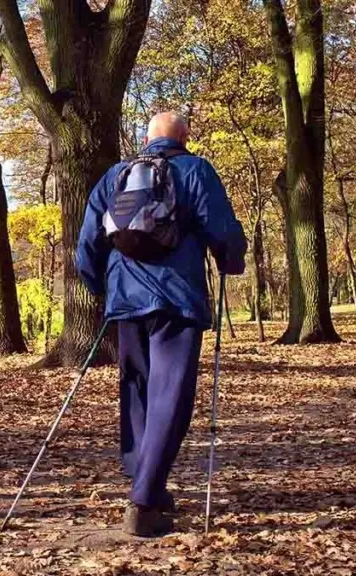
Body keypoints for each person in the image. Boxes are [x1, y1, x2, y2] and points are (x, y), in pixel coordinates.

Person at [77, 112, 247, 537]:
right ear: (185, 137)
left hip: (125, 299)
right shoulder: (196, 170)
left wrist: (100, 286)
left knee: (137, 387)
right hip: (177, 298)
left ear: (147, 138)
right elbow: (221, 230)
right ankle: (145, 499)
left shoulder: (117, 174)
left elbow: (87, 243)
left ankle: (143, 478)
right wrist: (231, 260)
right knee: (170, 394)